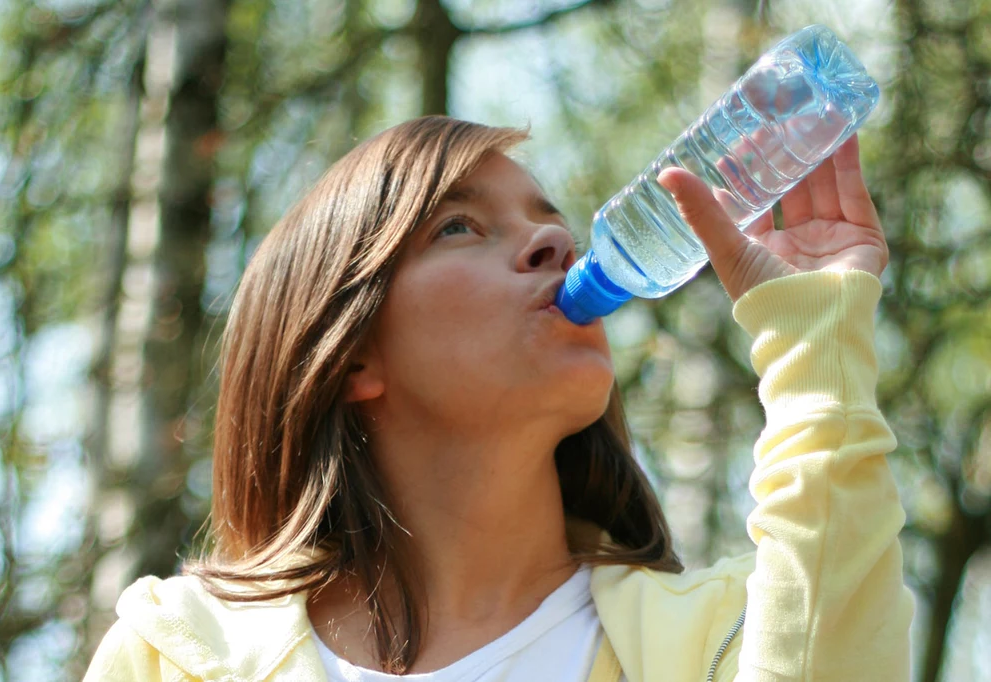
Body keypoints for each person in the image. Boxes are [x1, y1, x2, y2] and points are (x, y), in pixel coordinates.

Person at [83, 116, 914, 682]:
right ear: (349, 357)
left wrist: (815, 343)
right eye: (459, 227)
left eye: (550, 221)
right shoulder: (182, 656)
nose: (555, 242)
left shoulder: (719, 636)